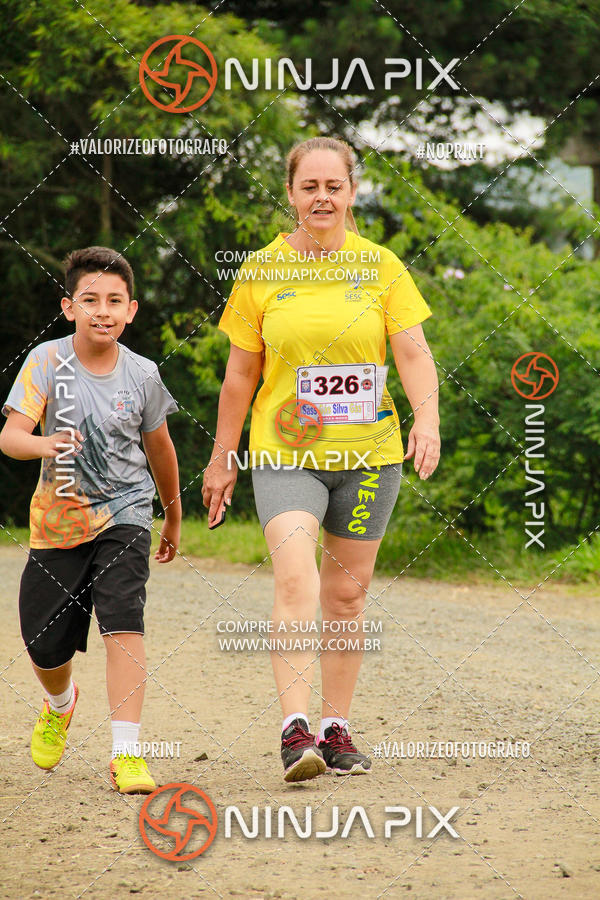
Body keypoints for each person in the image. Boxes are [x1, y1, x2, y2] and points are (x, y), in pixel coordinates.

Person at [202, 137, 440, 782]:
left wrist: (428, 419)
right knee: (296, 579)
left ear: (352, 193)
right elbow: (239, 375)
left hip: (369, 457)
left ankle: (336, 730)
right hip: (284, 453)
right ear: (291, 193)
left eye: (333, 186)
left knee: (344, 598)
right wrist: (223, 459)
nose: (322, 197)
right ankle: (294, 730)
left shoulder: (382, 266)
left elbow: (414, 353)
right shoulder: (262, 270)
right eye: (309, 187)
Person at [0, 246, 181, 794]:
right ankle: (60, 702)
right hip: (56, 523)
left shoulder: (144, 374)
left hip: (126, 512)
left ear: (132, 311)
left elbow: (161, 448)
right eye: (90, 300)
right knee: (43, 643)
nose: (103, 311)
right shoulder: (45, 362)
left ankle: (126, 753)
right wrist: (43, 442)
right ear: (68, 306)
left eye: (114, 301)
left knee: (123, 620)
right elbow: (10, 438)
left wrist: (171, 515)